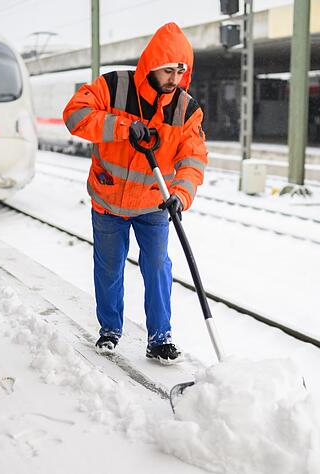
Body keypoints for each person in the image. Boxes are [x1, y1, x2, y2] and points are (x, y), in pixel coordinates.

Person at [62, 23, 208, 363]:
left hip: (155, 204)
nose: (174, 77)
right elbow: (75, 115)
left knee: (157, 267)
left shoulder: (187, 110)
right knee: (109, 267)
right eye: (167, 69)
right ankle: (110, 329)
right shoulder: (113, 87)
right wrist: (123, 127)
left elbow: (193, 158)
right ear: (151, 64)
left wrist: (180, 196)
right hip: (108, 200)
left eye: (180, 70)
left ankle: (160, 337)